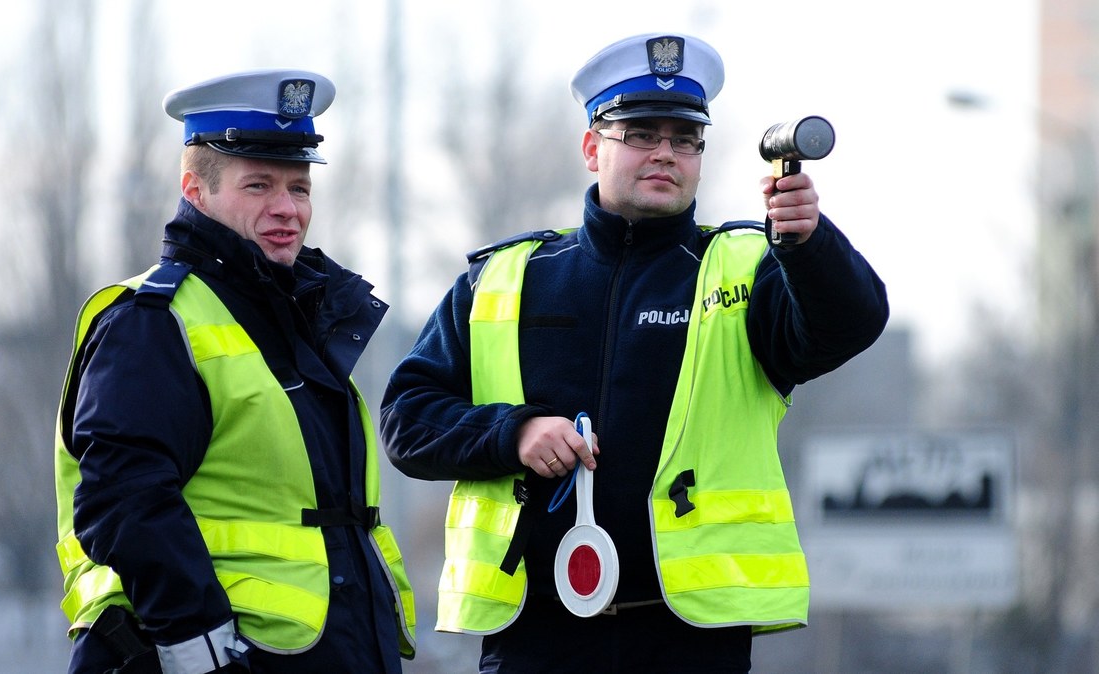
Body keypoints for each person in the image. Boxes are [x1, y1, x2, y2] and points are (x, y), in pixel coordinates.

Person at [379, 33, 889, 673]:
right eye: (641, 134)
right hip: (535, 635)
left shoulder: (748, 268)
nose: (665, 154)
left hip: (689, 638)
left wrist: (809, 244)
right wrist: (514, 432)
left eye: (684, 139)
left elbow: (852, 324)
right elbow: (406, 419)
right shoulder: (504, 279)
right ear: (592, 148)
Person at [52, 69, 416, 674]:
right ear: (195, 191)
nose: (287, 209)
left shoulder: (291, 320)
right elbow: (123, 499)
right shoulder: (152, 322)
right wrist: (202, 644)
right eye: (258, 186)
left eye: (299, 188)